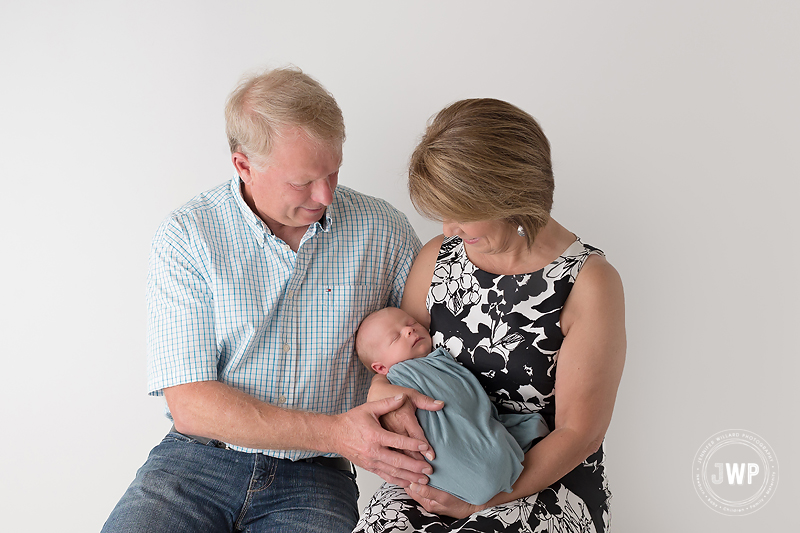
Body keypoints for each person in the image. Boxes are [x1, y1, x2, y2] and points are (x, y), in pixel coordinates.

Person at [101, 67, 444, 533]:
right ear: (244, 165)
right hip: (195, 463)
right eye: (302, 181)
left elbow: (432, 345)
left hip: (316, 478)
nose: (324, 194)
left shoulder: (383, 231)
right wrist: (339, 433)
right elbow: (191, 403)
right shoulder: (188, 236)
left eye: (333, 172)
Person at [353, 99, 626, 532]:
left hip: (540, 479)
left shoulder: (589, 284)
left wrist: (482, 501)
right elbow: (397, 365)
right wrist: (382, 399)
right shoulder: (438, 260)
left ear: (507, 196)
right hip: (444, 466)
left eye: (458, 211)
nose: (446, 229)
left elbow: (579, 434)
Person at [355, 306, 550, 505]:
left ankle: (492, 465)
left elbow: (471, 406)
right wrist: (380, 383)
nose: (409, 330)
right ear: (380, 368)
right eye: (395, 337)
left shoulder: (439, 360)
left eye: (411, 323)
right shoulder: (398, 376)